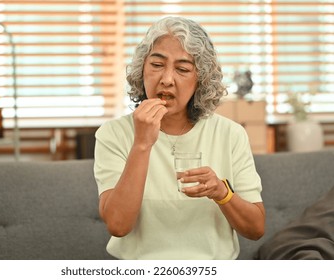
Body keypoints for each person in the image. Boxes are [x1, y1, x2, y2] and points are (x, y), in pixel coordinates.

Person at [94, 16, 265, 260]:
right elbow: (118, 225)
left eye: (183, 69)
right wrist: (142, 144)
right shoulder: (113, 134)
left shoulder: (230, 134)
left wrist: (221, 192)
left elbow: (256, 228)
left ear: (201, 81)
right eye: (156, 65)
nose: (166, 79)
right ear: (141, 69)